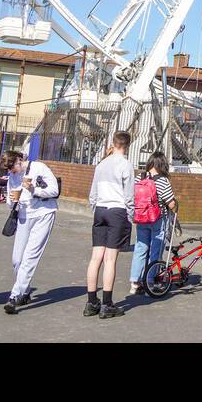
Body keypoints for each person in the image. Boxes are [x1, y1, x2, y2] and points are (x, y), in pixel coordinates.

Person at [3, 150, 61, 314]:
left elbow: (54, 190)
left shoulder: (39, 168)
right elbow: (9, 200)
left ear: (20, 160)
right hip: (23, 215)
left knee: (30, 256)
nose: (11, 172)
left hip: (43, 213)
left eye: (12, 167)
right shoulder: (13, 176)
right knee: (17, 259)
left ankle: (15, 296)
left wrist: (34, 189)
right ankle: (25, 290)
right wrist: (12, 200)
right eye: (9, 169)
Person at [85, 131, 135, 319]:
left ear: (113, 143)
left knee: (96, 257)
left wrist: (95, 208)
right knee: (110, 259)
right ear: (127, 145)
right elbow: (129, 195)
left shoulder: (101, 164)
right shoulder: (126, 165)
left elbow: (93, 192)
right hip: (117, 211)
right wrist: (129, 215)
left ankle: (91, 302)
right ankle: (107, 304)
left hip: (100, 209)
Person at [129, 151, 177, 296]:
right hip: (157, 219)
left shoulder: (139, 177)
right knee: (155, 251)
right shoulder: (163, 181)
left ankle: (134, 282)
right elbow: (171, 203)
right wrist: (175, 205)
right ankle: (150, 280)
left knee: (140, 249)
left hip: (141, 218)